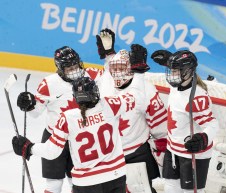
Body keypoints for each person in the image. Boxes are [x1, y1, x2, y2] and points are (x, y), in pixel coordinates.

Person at [12, 53, 148, 193]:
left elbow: (51, 151)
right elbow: (138, 98)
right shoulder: (110, 105)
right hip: (116, 176)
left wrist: (28, 148)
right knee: (54, 183)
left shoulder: (68, 118)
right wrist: (138, 73)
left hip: (86, 182)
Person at [96, 28, 168, 193]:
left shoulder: (147, 90)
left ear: (131, 69)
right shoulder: (105, 80)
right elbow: (109, 68)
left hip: (137, 154)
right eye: (116, 69)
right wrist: (109, 53)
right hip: (109, 156)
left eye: (123, 69)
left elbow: (160, 127)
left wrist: (163, 153)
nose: (118, 74)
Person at [16, 46, 85, 193]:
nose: (74, 70)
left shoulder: (88, 79)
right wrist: (29, 105)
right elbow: (36, 113)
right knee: (53, 185)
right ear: (60, 68)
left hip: (80, 138)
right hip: (54, 137)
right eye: (69, 67)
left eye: (75, 65)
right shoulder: (48, 84)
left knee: (78, 183)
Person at [151, 50, 219, 193]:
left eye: (177, 71)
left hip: (193, 155)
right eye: (172, 70)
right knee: (170, 188)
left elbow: (213, 124)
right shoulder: (176, 86)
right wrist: (170, 60)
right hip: (173, 150)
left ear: (189, 71)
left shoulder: (197, 97)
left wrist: (202, 138)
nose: (172, 75)